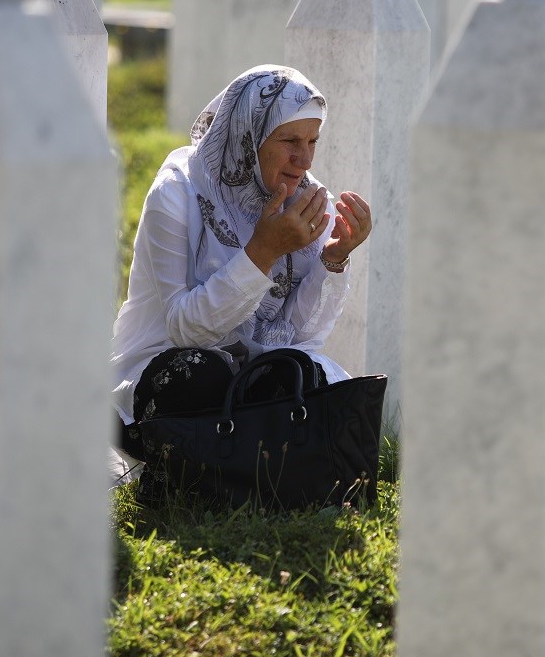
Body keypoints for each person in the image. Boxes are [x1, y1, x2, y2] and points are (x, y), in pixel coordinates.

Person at [109, 66, 372, 484]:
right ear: (248, 136)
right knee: (201, 373)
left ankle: (233, 471)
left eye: (312, 142)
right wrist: (262, 252)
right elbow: (184, 330)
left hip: (245, 383)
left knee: (301, 372)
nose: (303, 160)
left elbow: (302, 340)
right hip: (168, 376)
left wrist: (334, 260)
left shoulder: (302, 201)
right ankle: (220, 469)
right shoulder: (177, 193)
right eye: (289, 141)